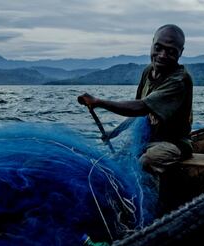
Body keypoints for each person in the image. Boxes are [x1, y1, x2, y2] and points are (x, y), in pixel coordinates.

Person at [78, 24, 193, 175]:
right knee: (118, 160)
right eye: (158, 48)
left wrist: (99, 102)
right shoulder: (148, 72)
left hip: (174, 144)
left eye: (171, 51)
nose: (162, 55)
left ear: (181, 52)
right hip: (148, 140)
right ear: (152, 43)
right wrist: (114, 133)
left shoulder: (179, 81)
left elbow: (140, 107)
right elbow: (138, 116)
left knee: (147, 160)